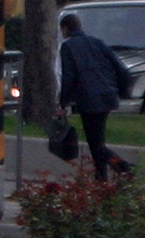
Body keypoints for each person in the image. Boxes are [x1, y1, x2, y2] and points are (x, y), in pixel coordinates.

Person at [56, 11, 134, 182]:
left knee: (96, 145)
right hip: (107, 95)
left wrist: (63, 103)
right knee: (98, 141)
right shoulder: (97, 42)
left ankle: (123, 167)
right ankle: (101, 178)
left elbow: (69, 77)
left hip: (88, 99)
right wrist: (120, 91)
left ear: (65, 29)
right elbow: (122, 70)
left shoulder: (68, 47)